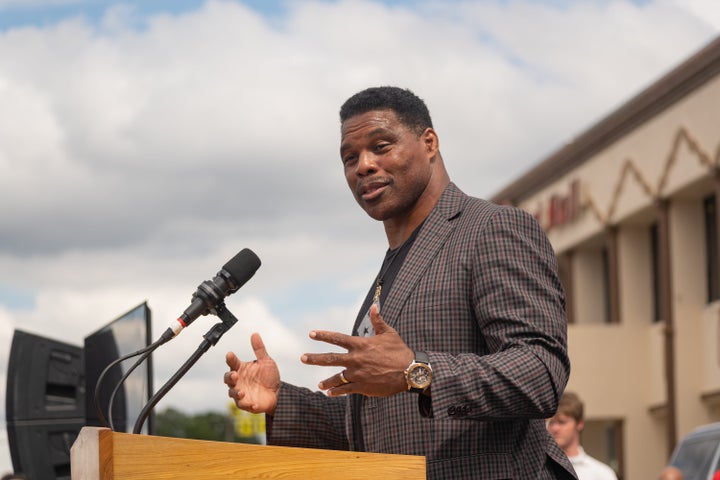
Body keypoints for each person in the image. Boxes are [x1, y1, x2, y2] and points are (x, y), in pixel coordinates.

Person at [224, 86, 577, 479]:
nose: (364, 166)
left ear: (429, 143)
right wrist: (280, 402)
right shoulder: (391, 269)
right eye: (350, 157)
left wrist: (416, 370)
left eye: (381, 146)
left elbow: (540, 373)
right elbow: (381, 424)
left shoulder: (491, 228)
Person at [546, 392, 617, 480]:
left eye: (561, 422)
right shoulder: (541, 469)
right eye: (551, 422)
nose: (554, 428)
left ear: (579, 424)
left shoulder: (602, 474)